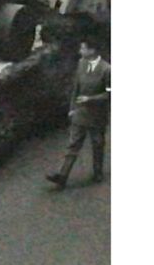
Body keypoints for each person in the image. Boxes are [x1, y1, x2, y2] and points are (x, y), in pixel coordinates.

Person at [47, 40, 111, 188]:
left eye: (83, 48)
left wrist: (91, 99)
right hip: (80, 113)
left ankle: (98, 172)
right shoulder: (81, 64)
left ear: (92, 50)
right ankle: (62, 176)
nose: (80, 51)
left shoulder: (107, 70)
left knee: (97, 143)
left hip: (97, 115)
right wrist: (72, 108)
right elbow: (76, 88)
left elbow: (110, 93)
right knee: (73, 144)